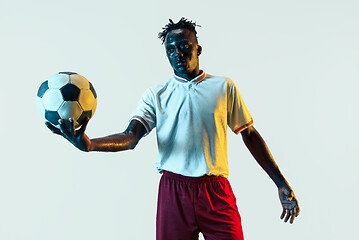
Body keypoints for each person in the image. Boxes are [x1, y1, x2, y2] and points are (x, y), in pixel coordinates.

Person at [47, 18, 300, 240]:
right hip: (173, 191)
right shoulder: (156, 94)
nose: (177, 53)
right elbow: (131, 136)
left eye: (184, 47)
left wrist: (281, 183)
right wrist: (90, 144)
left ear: (198, 49)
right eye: (170, 49)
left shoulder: (224, 87)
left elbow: (250, 135)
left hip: (215, 191)